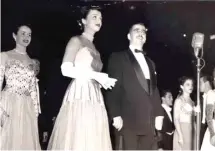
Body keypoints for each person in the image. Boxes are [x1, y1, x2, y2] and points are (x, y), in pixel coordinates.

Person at [47, 6, 116, 150]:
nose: (99, 20)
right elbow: (65, 69)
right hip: (80, 93)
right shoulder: (76, 40)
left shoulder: (95, 48)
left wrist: (101, 80)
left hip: (94, 95)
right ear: (84, 20)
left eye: (100, 18)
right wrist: (95, 75)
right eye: (94, 17)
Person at [106, 23, 164, 150]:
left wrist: (159, 114)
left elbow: (154, 89)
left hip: (148, 122)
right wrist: (115, 115)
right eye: (136, 30)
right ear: (128, 36)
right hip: (128, 121)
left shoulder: (151, 63)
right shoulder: (118, 57)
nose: (141, 33)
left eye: (143, 31)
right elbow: (113, 88)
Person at [0, 25, 41, 150]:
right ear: (14, 35)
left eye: (29, 34)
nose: (26, 37)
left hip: (26, 106)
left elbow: (33, 88)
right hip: (9, 102)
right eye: (23, 33)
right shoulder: (4, 56)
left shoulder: (32, 61)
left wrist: (35, 111)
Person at [173, 76, 200, 150]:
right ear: (182, 86)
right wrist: (180, 136)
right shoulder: (179, 100)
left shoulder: (192, 101)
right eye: (187, 84)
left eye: (191, 84)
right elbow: (176, 119)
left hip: (192, 129)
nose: (190, 86)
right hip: (182, 129)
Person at [199, 75, 212, 145]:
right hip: (202, 128)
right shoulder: (199, 99)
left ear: (206, 83)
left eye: (200, 83)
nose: (198, 86)